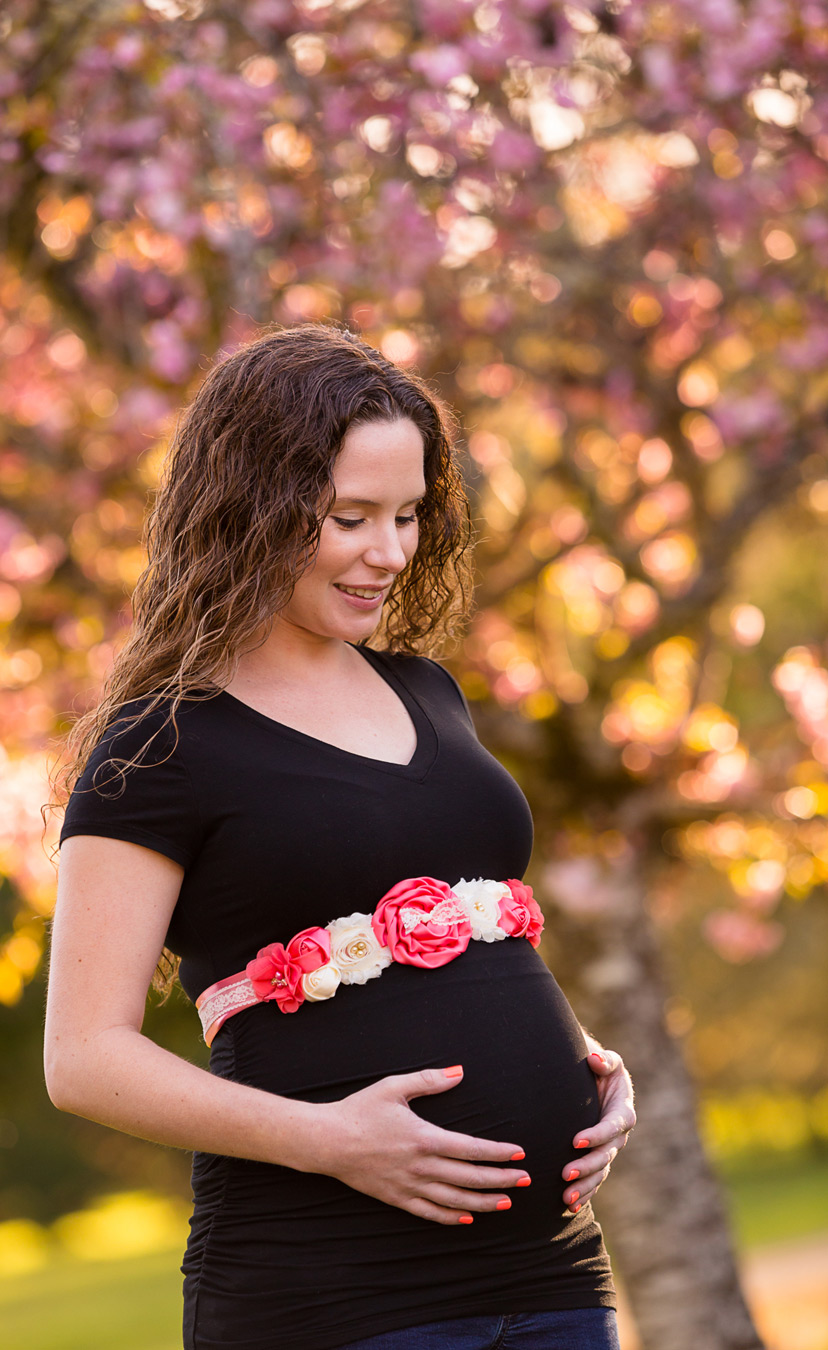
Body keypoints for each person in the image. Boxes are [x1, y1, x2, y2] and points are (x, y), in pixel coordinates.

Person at [45, 323, 636, 1350]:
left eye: (409, 514)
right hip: (332, 1292)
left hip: (546, 1271)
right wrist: (329, 1141)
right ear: (252, 508)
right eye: (350, 518)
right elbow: (84, 1057)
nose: (391, 553)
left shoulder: (427, 691)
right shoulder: (164, 742)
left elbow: (469, 927)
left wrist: (581, 1057)